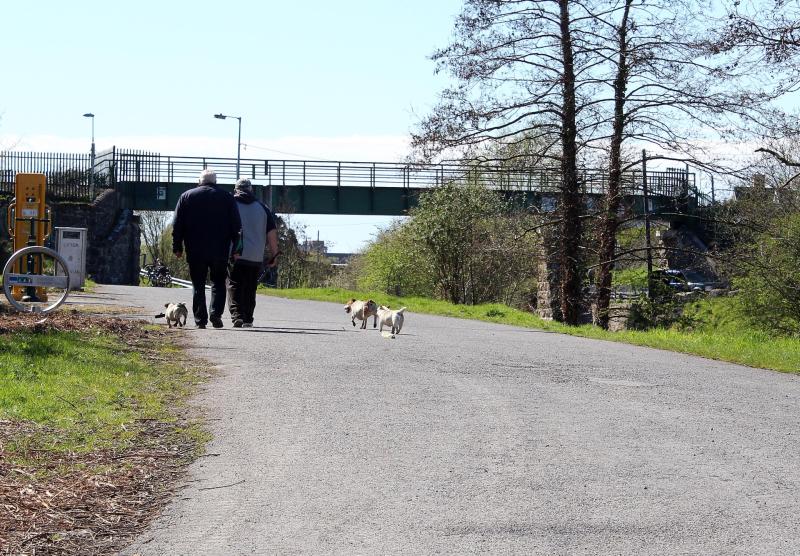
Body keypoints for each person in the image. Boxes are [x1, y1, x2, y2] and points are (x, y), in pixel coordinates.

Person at [172, 169, 241, 329]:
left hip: (195, 250)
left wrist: (177, 246)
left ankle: (200, 320)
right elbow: (237, 226)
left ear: (199, 181)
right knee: (218, 282)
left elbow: (177, 225)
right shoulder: (227, 198)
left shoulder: (186, 196)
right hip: (220, 250)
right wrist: (237, 248)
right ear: (215, 182)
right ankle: (215, 313)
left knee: (198, 284)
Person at [227, 178, 279, 328]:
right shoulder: (263, 208)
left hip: (235, 253)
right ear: (251, 190)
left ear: (236, 189)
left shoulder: (231, 204)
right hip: (255, 256)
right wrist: (274, 254)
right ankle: (248, 318)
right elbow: (272, 233)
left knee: (234, 284)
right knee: (250, 286)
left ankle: (237, 316)